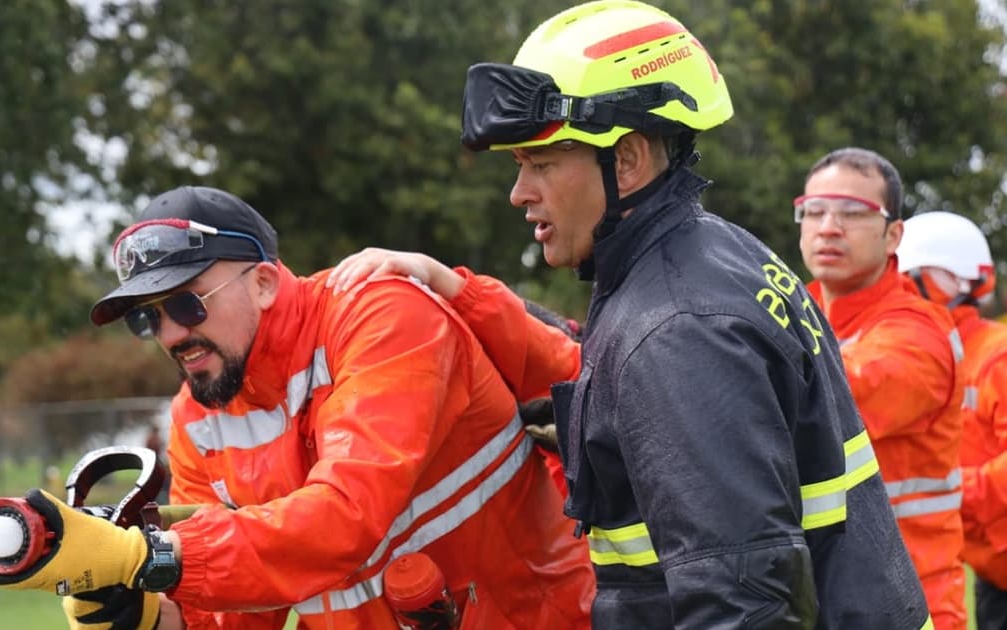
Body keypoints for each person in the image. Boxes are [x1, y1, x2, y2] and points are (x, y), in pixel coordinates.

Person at [329, 1, 931, 627]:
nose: (519, 193)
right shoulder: (709, 257)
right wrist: (456, 291)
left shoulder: (678, 330)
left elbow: (746, 603)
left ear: (627, 160)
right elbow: (616, 363)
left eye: (540, 165)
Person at [0, 185, 594, 629]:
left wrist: (156, 555)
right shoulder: (198, 418)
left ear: (266, 282)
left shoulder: (379, 313)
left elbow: (347, 519)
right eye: (148, 318)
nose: (169, 334)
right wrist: (143, 611)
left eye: (188, 304)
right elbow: (236, 610)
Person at [798, 147, 966, 629]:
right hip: (829, 598)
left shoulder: (918, 333)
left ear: (894, 234)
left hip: (911, 606)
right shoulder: (796, 310)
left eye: (853, 212)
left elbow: (833, 393)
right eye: (815, 210)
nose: (829, 226)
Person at [897, 210, 1007, 629]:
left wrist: (955, 492)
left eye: (907, 281)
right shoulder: (935, 356)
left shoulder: (997, 356)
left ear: (950, 280)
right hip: (992, 571)